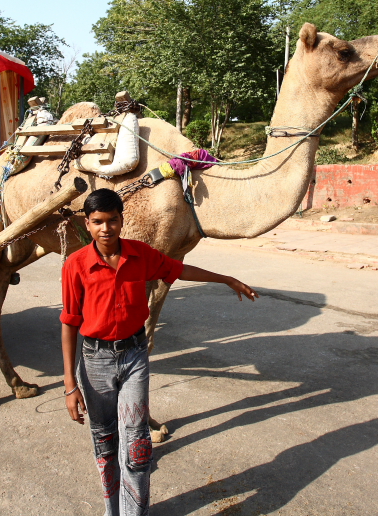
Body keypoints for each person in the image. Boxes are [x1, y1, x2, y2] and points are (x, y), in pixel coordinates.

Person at [61, 188, 258, 516]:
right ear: (87, 223)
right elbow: (69, 324)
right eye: (98, 222)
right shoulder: (76, 265)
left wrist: (225, 279)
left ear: (122, 220)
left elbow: (179, 270)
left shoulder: (140, 255)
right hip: (95, 361)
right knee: (106, 444)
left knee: (137, 447)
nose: (106, 228)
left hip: (135, 355)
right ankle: (114, 510)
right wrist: (70, 384)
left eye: (112, 220)